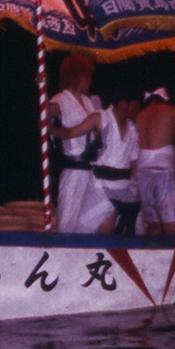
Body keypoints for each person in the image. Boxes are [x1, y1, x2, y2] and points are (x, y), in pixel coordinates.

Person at [60, 83, 144, 234]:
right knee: (97, 227)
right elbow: (71, 133)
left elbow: (133, 162)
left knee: (130, 231)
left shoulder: (133, 128)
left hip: (124, 186)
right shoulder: (100, 118)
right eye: (135, 106)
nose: (136, 111)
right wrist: (49, 128)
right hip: (102, 185)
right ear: (124, 103)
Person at [48, 53, 109, 233]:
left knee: (92, 217)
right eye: (87, 76)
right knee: (68, 220)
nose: (90, 81)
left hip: (92, 169)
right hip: (74, 169)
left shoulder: (88, 101)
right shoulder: (60, 100)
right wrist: (53, 130)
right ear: (78, 77)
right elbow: (42, 118)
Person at [135, 87, 175, 235]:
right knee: (171, 226)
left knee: (153, 225)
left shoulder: (138, 116)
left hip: (141, 173)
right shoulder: (173, 111)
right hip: (164, 171)